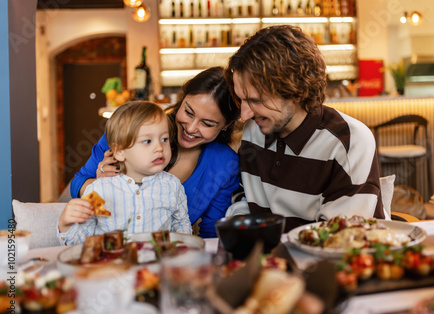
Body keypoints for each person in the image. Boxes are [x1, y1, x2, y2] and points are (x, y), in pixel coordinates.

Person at [225, 25, 385, 231]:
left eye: (255, 100)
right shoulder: (254, 130)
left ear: (296, 92)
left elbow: (339, 238)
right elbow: (246, 198)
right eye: (241, 99)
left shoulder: (349, 142)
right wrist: (241, 227)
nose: (245, 114)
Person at [70, 67, 240, 238]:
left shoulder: (225, 164)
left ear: (225, 125)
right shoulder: (130, 130)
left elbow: (211, 232)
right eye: (188, 112)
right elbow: (77, 184)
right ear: (182, 99)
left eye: (207, 123)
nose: (191, 128)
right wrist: (98, 185)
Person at [57, 101, 192, 245]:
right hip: (112, 265)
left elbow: (182, 227)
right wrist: (65, 224)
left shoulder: (172, 186)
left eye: (164, 139)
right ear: (120, 152)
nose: (159, 147)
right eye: (147, 141)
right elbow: (81, 243)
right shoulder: (98, 190)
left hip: (156, 264)